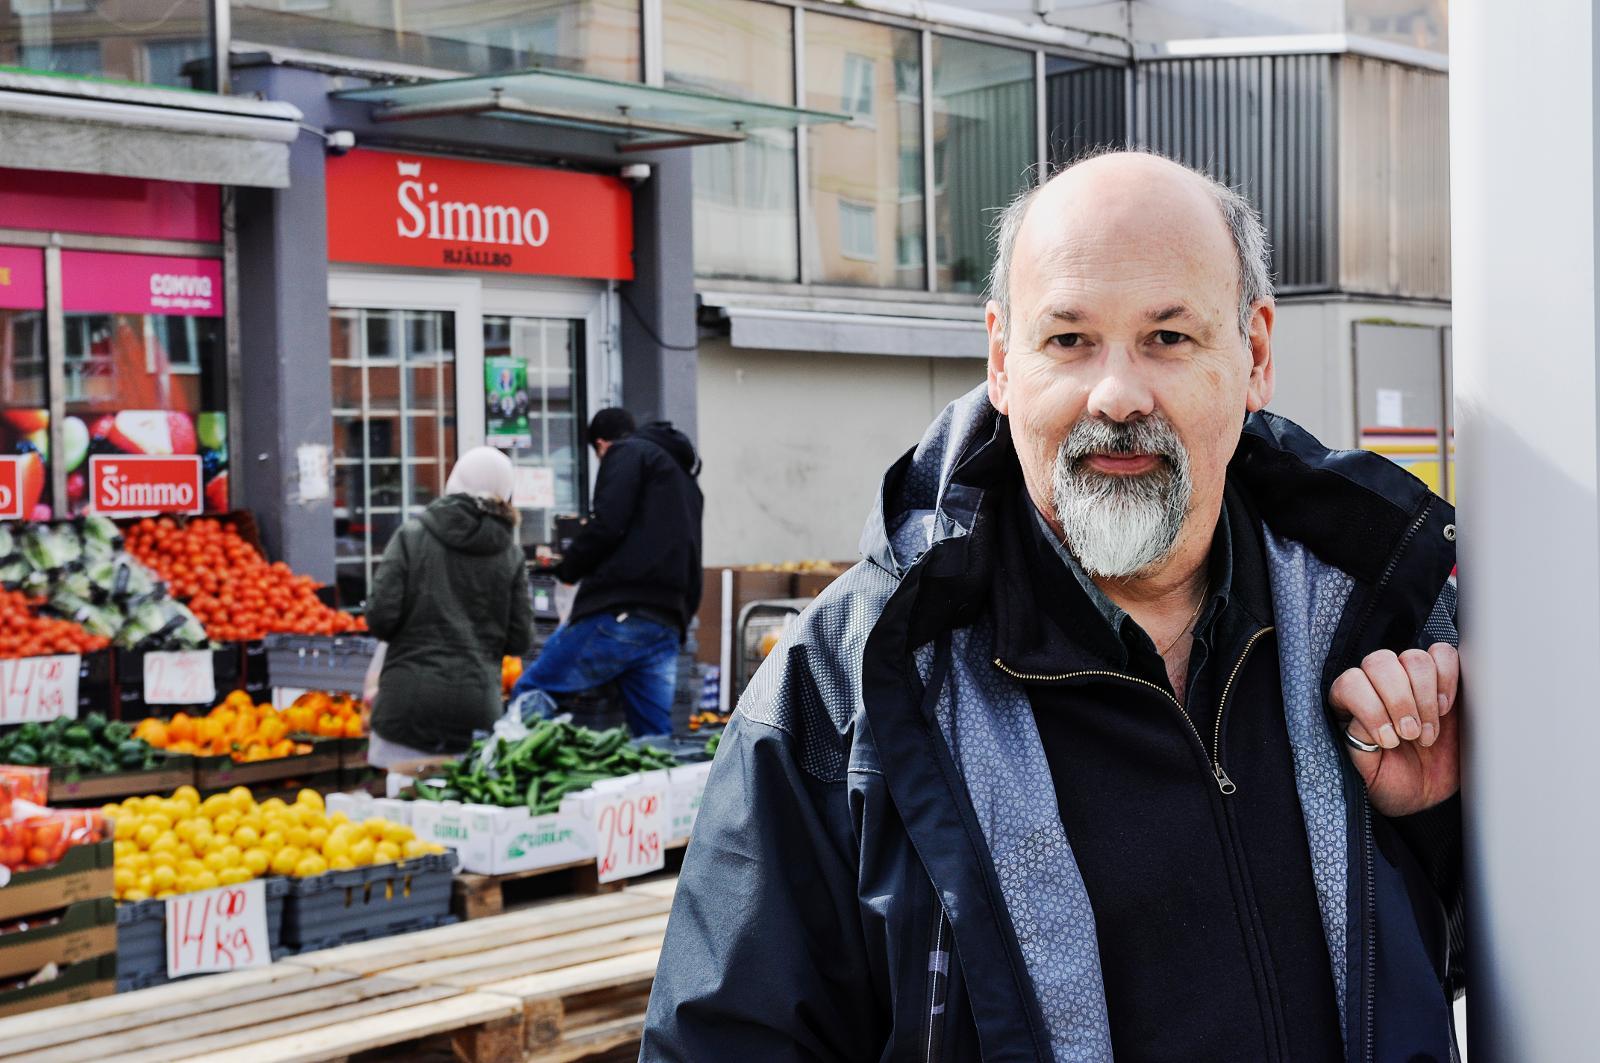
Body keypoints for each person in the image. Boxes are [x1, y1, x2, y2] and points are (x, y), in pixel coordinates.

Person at [642, 150, 1463, 1062]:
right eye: (1068, 341)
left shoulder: (1385, 619)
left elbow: (1515, 969)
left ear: (1255, 355)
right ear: (1002, 360)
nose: (1115, 395)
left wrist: (1440, 821)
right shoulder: (851, 686)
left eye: (1168, 338)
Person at [511, 408, 704, 736]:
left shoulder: (626, 453)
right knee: (653, 738)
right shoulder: (685, 482)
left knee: (533, 691)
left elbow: (608, 524)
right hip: (668, 620)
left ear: (601, 445)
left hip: (621, 611)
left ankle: (504, 773)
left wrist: (568, 568)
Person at [364, 446, 533, 767]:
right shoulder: (509, 555)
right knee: (460, 814)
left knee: (400, 812)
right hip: (476, 711)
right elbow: (519, 640)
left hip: (406, 706)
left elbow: (380, 619)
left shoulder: (411, 537)